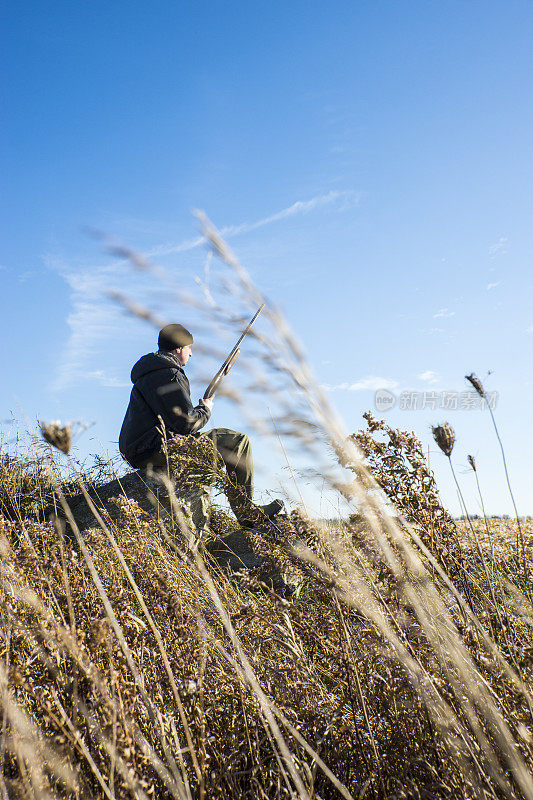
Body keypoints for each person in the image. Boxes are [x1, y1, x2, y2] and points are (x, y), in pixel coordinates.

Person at [119, 323, 283, 526]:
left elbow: (173, 420)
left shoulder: (151, 372)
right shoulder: (169, 373)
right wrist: (205, 409)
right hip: (155, 449)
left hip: (141, 450)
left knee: (214, 450)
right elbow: (185, 424)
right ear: (179, 348)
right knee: (238, 442)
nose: (191, 354)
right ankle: (248, 513)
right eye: (189, 348)